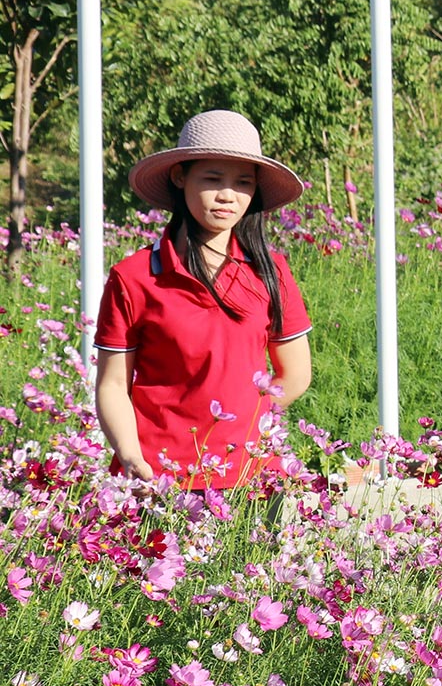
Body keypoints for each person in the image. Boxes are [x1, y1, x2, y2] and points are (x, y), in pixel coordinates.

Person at [94, 110, 314, 490]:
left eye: (243, 182)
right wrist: (131, 455)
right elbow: (113, 385)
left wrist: (249, 422)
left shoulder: (271, 271)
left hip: (252, 477)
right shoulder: (133, 277)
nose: (228, 195)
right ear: (180, 177)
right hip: (157, 478)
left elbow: (295, 374)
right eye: (212, 179)